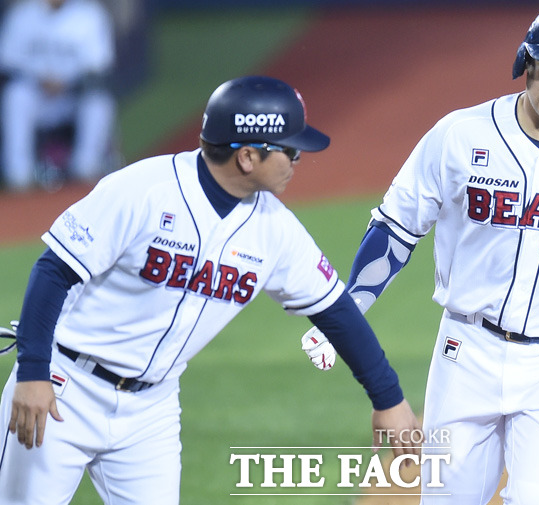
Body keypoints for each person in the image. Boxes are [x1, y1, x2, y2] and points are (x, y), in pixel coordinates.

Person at [301, 6, 539, 504]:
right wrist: (347, 310)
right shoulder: (460, 134)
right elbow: (395, 228)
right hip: (464, 354)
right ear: (526, 63)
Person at [0, 75, 421, 505]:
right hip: (64, 386)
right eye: (290, 150)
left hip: (152, 410)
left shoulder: (275, 229)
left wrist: (388, 398)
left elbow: (336, 312)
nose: (298, 160)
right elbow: (54, 272)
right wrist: (33, 372)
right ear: (246, 156)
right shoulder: (143, 191)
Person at [0, 0, 116, 191]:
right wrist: (39, 80)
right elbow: (8, 63)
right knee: (16, 96)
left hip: (73, 96)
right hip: (36, 95)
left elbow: (99, 66)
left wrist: (67, 83)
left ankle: (86, 168)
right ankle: (18, 175)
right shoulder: (23, 15)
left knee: (99, 100)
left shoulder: (89, 15)